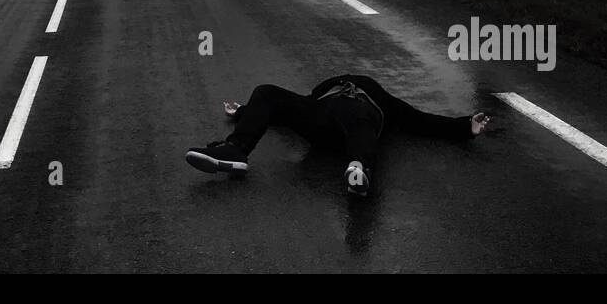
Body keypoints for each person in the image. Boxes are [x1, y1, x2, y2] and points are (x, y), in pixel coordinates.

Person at [185, 73, 491, 197]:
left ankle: (358, 170)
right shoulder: (321, 93)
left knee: (358, 118)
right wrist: (244, 111)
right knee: (266, 92)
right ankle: (236, 151)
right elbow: (278, 111)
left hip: (358, 123)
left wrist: (464, 126)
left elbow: (421, 121)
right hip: (320, 119)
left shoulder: (381, 100)